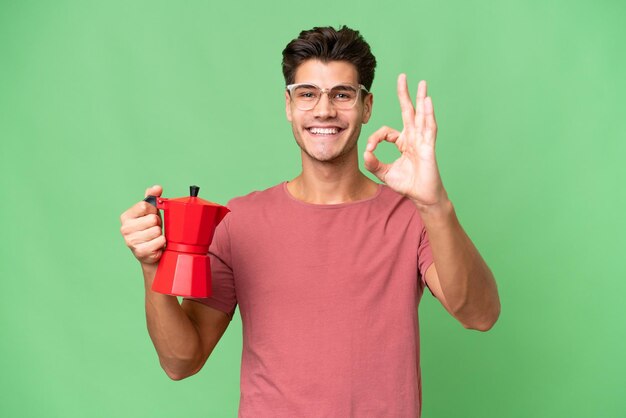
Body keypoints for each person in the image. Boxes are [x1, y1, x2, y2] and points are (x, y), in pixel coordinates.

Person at [120, 26, 500, 417]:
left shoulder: (411, 216)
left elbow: (479, 314)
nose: (324, 110)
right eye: (307, 94)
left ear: (366, 106)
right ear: (288, 105)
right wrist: (153, 269)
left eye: (342, 94)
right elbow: (181, 361)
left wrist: (434, 204)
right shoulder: (239, 222)